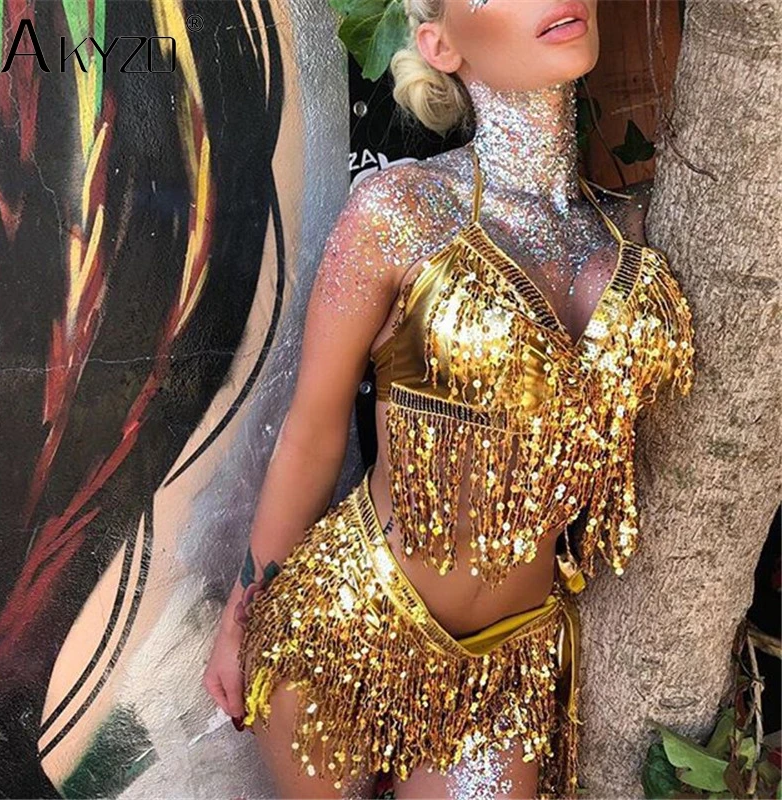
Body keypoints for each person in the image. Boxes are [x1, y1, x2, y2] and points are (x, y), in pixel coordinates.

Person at [203, 0, 695, 797]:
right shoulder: (400, 212)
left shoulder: (635, 237)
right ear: (438, 44)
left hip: (507, 669)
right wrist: (244, 611)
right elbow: (314, 432)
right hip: (348, 625)